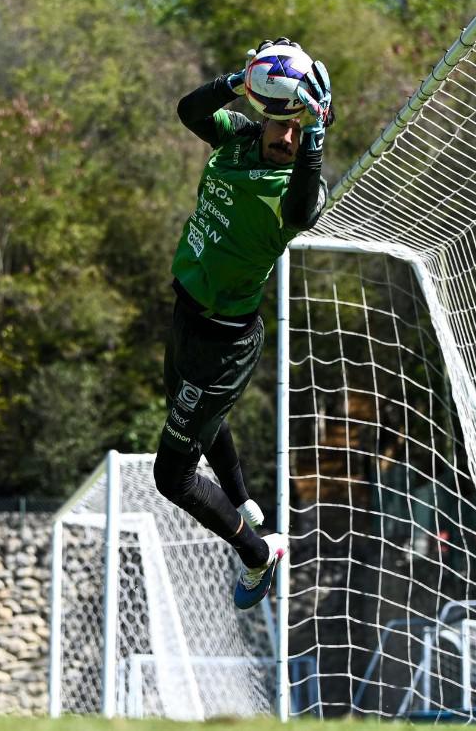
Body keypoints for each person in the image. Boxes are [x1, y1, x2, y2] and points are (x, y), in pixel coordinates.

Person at [153, 37, 334, 609]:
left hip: (225, 341)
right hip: (187, 313)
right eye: (279, 123)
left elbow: (305, 212)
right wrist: (243, 79)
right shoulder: (235, 136)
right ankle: (245, 502)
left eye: (297, 128)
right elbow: (189, 111)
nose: (285, 136)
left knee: (172, 478)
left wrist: (317, 131)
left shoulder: (298, 188)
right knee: (197, 415)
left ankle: (258, 556)